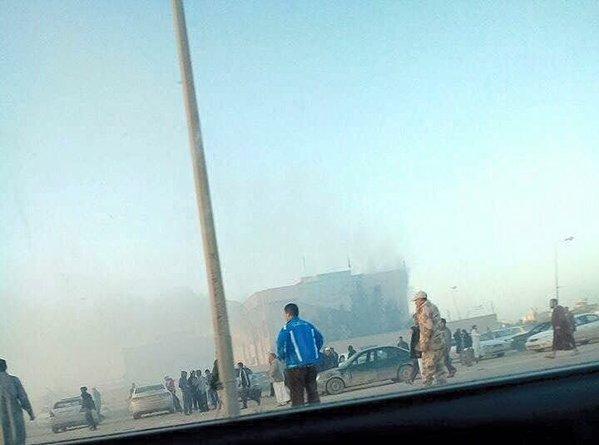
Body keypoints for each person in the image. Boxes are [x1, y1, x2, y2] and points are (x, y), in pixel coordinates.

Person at [276, 303, 324, 407]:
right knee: (313, 393)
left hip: (295, 367)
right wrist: (313, 353)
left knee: (297, 396)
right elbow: (320, 339)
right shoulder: (309, 325)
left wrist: (283, 357)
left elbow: (281, 347)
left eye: (284, 314)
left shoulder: (286, 329)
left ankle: (299, 415)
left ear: (288, 314)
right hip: (312, 365)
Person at [413, 291, 447, 386]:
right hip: (438, 341)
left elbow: (428, 327)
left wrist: (424, 344)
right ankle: (443, 385)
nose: (415, 303)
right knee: (439, 365)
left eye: (416, 300)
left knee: (428, 366)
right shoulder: (433, 306)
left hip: (430, 343)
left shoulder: (424, 309)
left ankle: (427, 386)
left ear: (421, 300)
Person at [0, 358, 35, 445]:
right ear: (6, 367)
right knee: (18, 437)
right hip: (15, 414)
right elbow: (23, 398)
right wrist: (30, 413)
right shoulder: (14, 380)